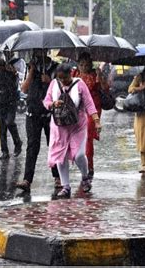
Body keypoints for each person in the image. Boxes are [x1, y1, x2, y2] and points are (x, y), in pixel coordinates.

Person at [43, 63, 102, 199]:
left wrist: (97, 121)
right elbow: (46, 101)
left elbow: (89, 104)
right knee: (60, 156)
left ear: (71, 73)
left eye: (65, 78)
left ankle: (85, 176)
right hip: (59, 127)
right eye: (60, 78)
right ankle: (66, 187)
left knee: (79, 155)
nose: (63, 81)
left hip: (78, 126)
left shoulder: (80, 84)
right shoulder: (54, 84)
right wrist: (53, 104)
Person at [15, 50, 60, 194]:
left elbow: (61, 87)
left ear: (45, 51)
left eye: (38, 51)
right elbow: (24, 88)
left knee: (53, 145)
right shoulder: (32, 67)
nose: (35, 54)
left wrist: (50, 81)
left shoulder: (55, 67)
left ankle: (58, 177)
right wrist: (32, 71)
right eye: (34, 52)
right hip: (33, 111)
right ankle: (27, 180)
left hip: (49, 113)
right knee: (32, 146)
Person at [72, 53, 109, 178]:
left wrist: (100, 75)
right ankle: (81, 162)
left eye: (86, 64)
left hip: (93, 108)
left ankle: (89, 166)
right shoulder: (74, 74)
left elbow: (105, 88)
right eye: (81, 64)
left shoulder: (95, 75)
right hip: (78, 108)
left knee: (87, 135)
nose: (83, 67)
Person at [0, 56, 22, 160]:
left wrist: (13, 72)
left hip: (11, 101)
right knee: (2, 127)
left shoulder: (15, 64)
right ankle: (4, 152)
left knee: (9, 122)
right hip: (0, 101)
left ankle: (18, 143)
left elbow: (18, 82)